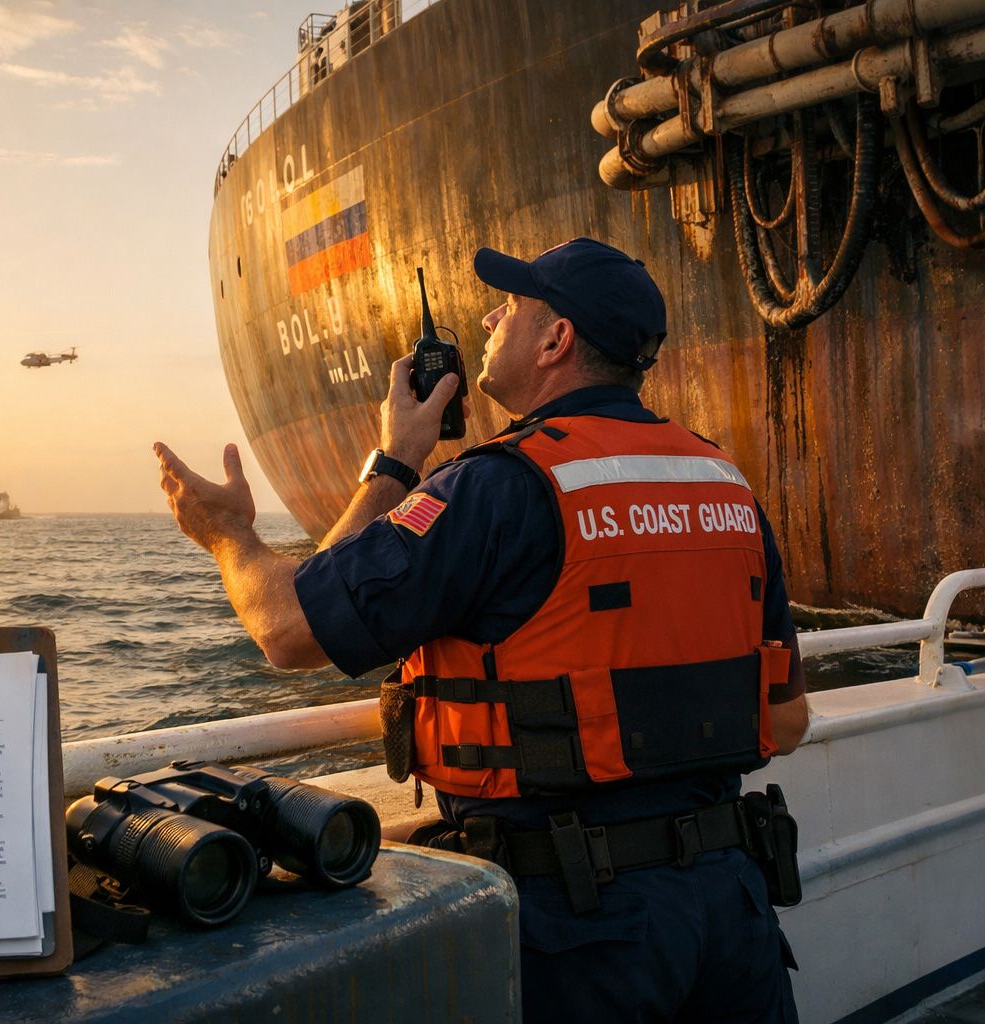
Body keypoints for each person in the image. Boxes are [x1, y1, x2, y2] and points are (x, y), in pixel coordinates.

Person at [155, 237, 809, 1023]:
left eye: (511, 304)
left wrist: (235, 531)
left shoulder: (499, 485)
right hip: (732, 912)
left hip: (579, 929)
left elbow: (290, 630)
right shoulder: (723, 484)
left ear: (555, 340)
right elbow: (787, 718)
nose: (491, 316)